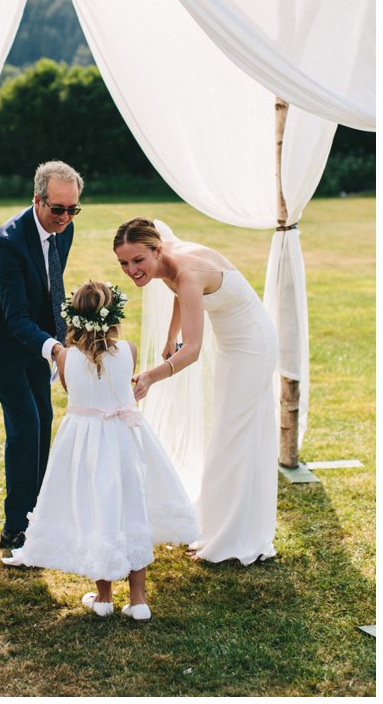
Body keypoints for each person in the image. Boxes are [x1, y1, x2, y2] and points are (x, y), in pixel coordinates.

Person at [3, 281, 198, 622]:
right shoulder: (130, 351)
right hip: (123, 439)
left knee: (99, 510)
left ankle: (104, 597)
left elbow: (70, 389)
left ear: (72, 319)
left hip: (85, 443)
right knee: (131, 510)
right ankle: (138, 600)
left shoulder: (64, 357)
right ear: (114, 317)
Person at [115, 217, 278, 566]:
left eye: (138, 261)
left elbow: (191, 350)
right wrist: (169, 335)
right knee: (228, 433)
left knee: (232, 437)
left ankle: (234, 538)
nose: (132, 270)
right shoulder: (169, 261)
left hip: (253, 345)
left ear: (157, 251)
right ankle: (217, 525)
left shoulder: (188, 273)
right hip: (234, 346)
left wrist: (150, 376)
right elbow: (181, 299)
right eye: (124, 263)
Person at [0, 161, 79, 552]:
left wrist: (61, 341)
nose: (64, 218)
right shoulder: (7, 241)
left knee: (43, 421)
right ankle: (15, 528)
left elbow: (52, 289)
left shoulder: (66, 229)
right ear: (37, 199)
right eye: (57, 209)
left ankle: (37, 515)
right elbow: (15, 317)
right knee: (26, 424)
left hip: (35, 342)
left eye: (72, 209)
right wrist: (56, 350)